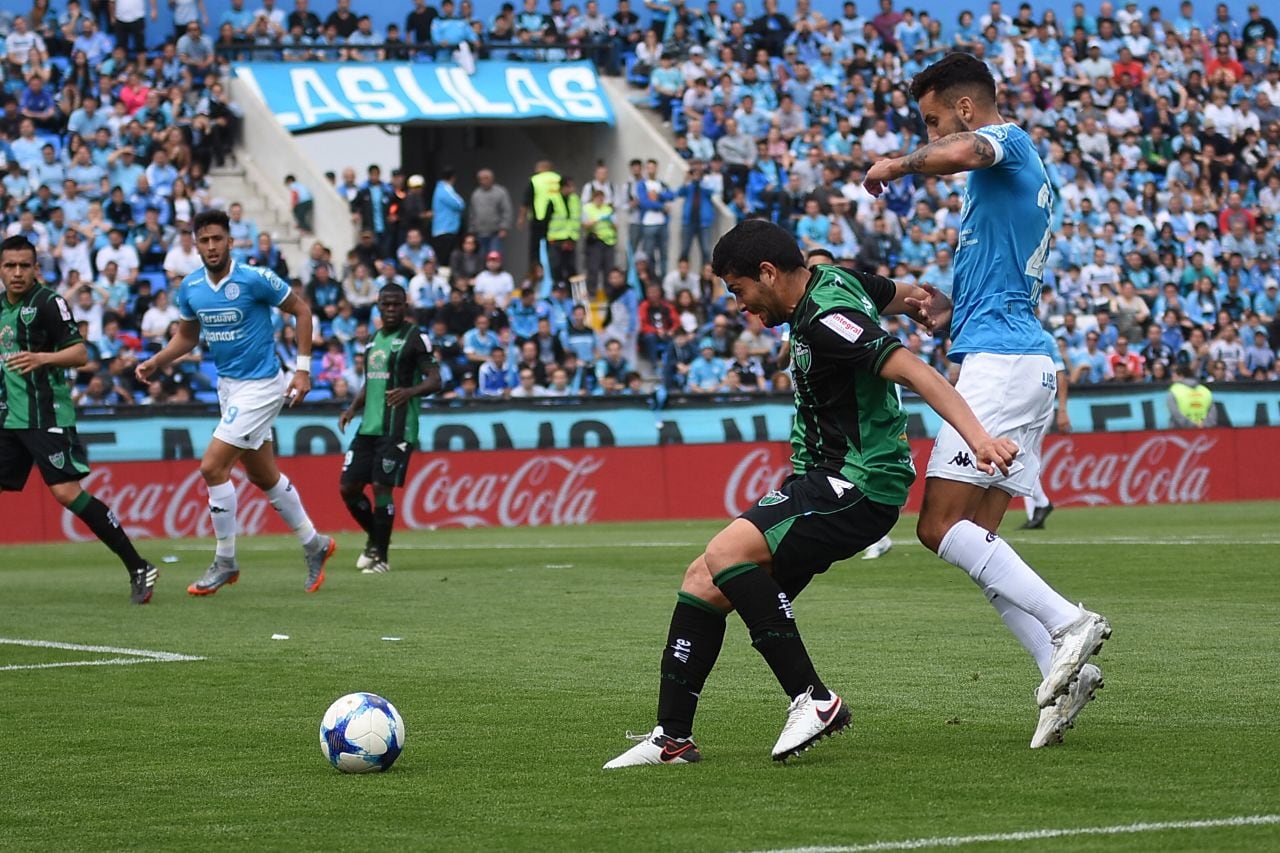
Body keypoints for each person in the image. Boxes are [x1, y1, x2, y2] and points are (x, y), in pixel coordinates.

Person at [604, 220, 1018, 769]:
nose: (740, 305)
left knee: (726, 554)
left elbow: (915, 370)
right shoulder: (833, 281)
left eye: (739, 290)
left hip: (859, 481)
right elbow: (900, 292)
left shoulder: (826, 320)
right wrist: (922, 301)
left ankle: (813, 699)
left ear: (769, 273)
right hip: (825, 477)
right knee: (703, 580)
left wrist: (980, 438)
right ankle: (672, 738)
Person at [864, 53, 1110, 750]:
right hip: (1019, 359)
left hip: (1003, 367)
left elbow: (969, 148)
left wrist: (899, 163)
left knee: (937, 527)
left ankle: (1067, 622)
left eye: (934, 120)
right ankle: (1058, 672)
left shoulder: (1009, 142)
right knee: (982, 543)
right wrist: (943, 315)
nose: (933, 133)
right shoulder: (1002, 183)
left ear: (965, 109)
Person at [135, 210, 336, 595]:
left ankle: (226, 561)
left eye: (217, 239)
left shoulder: (255, 278)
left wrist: (303, 369)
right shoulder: (191, 288)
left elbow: (302, 310)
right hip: (228, 388)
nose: (211, 247)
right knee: (263, 476)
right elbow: (188, 337)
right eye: (204, 241)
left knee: (212, 467)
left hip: (262, 385)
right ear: (196, 245)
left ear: (230, 242)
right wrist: (157, 361)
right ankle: (316, 544)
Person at [0, 236, 157, 604]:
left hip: (46, 415)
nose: (18, 272)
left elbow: (80, 353)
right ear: (1, 268)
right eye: (10, 265)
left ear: (36, 267)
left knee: (66, 493)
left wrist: (42, 359)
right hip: (9, 419)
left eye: (25, 265)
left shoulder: (49, 303)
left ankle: (138, 565)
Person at [338, 284, 440, 575]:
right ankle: (376, 537)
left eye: (397, 304)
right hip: (368, 426)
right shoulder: (372, 340)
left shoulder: (415, 338)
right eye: (386, 305)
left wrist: (409, 392)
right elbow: (372, 382)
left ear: (405, 306)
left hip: (398, 427)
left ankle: (381, 557)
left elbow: (436, 380)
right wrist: (352, 408)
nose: (391, 309)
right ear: (379, 307)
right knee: (348, 488)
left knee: (382, 486)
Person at [1021, 329, 1071, 530]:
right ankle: (1034, 514)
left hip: (1039, 405)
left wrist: (1063, 410)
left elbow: (1061, 375)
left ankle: (1042, 503)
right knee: (1029, 456)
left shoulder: (1044, 337)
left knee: (1021, 456)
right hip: (1025, 403)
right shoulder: (1017, 333)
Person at [1167, 364, 1217, 428]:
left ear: (1181, 376)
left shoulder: (1174, 390)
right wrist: (1204, 425)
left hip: (1179, 433)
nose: (1172, 379)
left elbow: (1175, 413)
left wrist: (1192, 426)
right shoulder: (1205, 390)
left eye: (1173, 376)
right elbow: (1212, 415)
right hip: (1204, 433)